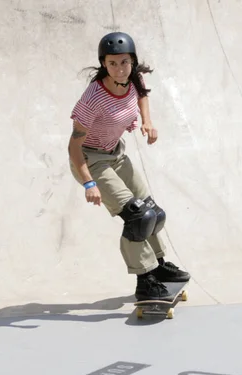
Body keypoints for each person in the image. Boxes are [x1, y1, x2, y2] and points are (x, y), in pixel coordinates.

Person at [67, 32, 190, 301]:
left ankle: (159, 265)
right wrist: (89, 182)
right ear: (104, 65)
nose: (120, 69)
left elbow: (142, 94)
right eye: (113, 64)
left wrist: (147, 121)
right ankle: (145, 279)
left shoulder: (134, 78)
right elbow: (74, 146)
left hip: (116, 154)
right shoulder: (93, 98)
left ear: (132, 61)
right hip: (90, 159)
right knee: (137, 216)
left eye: (124, 62)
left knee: (153, 211)